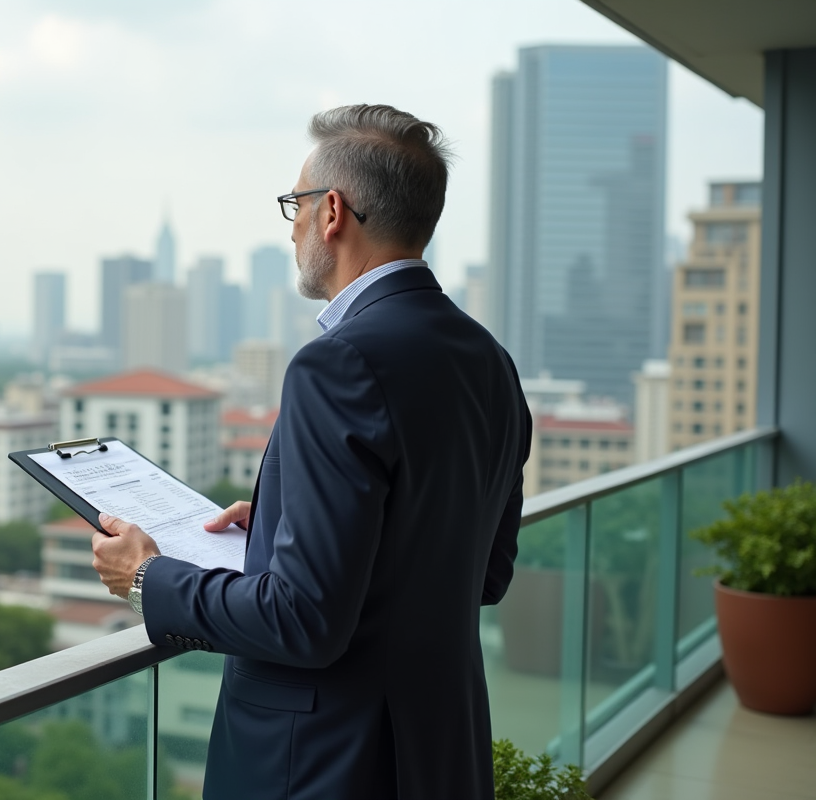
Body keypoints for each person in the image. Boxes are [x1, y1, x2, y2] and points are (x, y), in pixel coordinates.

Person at [91, 104, 531, 800]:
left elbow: (304, 622)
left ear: (331, 212)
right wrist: (283, 518)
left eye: (294, 204)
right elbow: (483, 572)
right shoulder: (488, 361)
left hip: (326, 766)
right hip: (439, 749)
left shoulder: (340, 363)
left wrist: (150, 576)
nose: (292, 226)